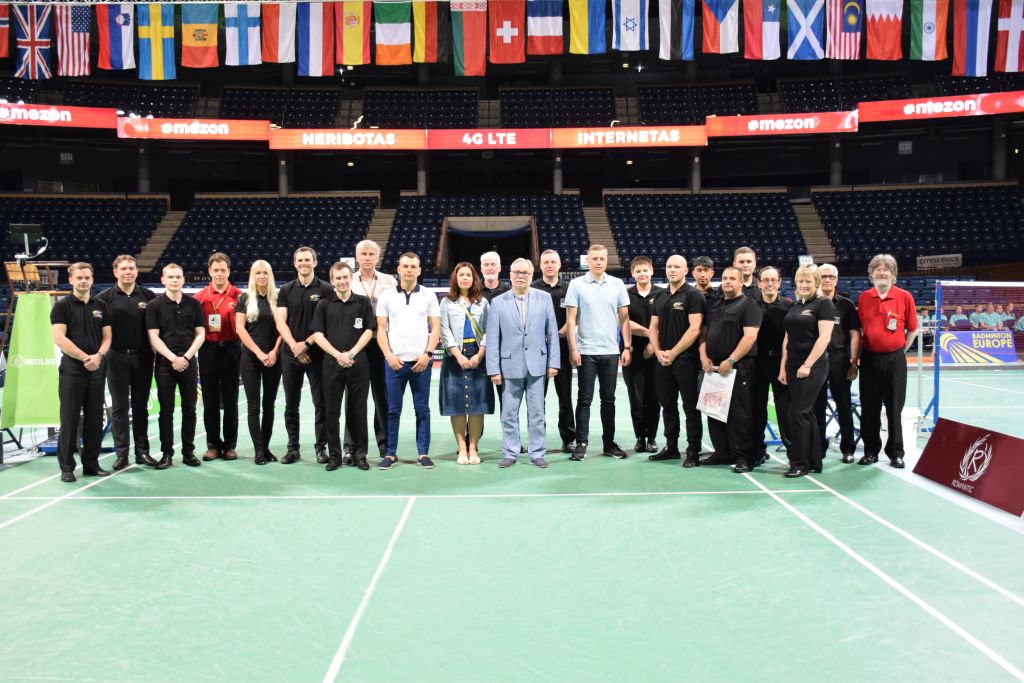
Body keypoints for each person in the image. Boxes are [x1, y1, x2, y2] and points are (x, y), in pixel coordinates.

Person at [487, 258, 559, 468]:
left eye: (525, 273)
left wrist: (553, 362)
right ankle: (511, 451)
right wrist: (494, 369)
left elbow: (552, 332)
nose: (520, 276)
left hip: (538, 365)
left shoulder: (544, 298)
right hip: (509, 367)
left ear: (531, 275)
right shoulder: (498, 302)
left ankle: (537, 452)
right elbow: (493, 338)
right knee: (508, 413)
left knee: (537, 412)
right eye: (517, 272)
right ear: (510, 275)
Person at [565, 244, 631, 461]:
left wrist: (627, 347)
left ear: (606, 260)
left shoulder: (617, 284)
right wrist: (574, 348)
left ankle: (609, 443)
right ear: (588, 261)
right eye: (594, 259)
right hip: (586, 352)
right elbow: (571, 319)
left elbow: (624, 319)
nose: (598, 262)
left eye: (602, 258)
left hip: (611, 352)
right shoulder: (576, 284)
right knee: (584, 399)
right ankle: (581, 443)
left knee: (609, 400)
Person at [375, 252, 441, 470]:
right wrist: (389, 356)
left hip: (421, 363)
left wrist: (427, 354)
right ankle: (391, 453)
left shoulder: (429, 295)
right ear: (399, 269)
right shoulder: (386, 296)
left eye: (414, 266)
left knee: (422, 409)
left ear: (419, 270)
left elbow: (436, 329)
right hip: (394, 363)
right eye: (406, 266)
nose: (410, 270)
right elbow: (381, 330)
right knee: (393, 410)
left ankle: (423, 453)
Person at [311, 262, 376, 471]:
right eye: (338, 278)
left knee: (358, 410)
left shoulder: (363, 302)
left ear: (351, 278)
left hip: (358, 364)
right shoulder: (323, 304)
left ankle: (360, 455)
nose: (342, 281)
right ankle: (335, 456)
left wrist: (352, 353)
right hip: (331, 364)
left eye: (345, 277)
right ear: (332, 281)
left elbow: (369, 331)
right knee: (332, 412)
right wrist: (338, 354)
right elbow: (318, 335)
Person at [51, 263, 112, 483]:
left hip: (97, 368)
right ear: (71, 280)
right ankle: (67, 467)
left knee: (95, 419)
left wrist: (98, 357)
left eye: (87, 277)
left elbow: (107, 337)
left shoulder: (101, 306)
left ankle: (91, 465)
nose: (83, 281)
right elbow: (59, 338)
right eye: (79, 278)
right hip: (72, 370)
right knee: (70, 419)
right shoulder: (62, 306)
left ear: (92, 280)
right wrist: (84, 357)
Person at [96, 254, 157, 471]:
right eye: (123, 269)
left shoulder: (148, 296)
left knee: (141, 407)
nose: (128, 272)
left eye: (131, 268)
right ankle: (122, 454)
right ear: (115, 272)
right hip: (115, 358)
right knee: (120, 408)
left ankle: (142, 452)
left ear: (137, 271)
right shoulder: (104, 298)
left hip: (142, 357)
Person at [856, 254, 917, 469]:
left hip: (895, 360)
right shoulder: (864, 297)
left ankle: (895, 452)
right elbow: (861, 329)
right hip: (869, 358)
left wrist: (898, 350)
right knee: (869, 407)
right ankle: (871, 451)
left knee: (894, 409)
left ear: (893, 274)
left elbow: (913, 330)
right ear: (871, 274)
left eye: (886, 269)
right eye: (878, 269)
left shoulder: (905, 297)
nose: (882, 272)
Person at [699, 266, 762, 473]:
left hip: (738, 367)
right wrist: (705, 357)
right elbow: (705, 334)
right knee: (714, 412)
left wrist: (731, 360)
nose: (727, 281)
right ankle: (722, 452)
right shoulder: (715, 305)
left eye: (732, 278)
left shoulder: (749, 306)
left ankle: (744, 456)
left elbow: (750, 337)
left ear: (741, 282)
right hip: (713, 367)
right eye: (724, 278)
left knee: (740, 414)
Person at [275, 247, 334, 465]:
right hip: (291, 356)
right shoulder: (286, 290)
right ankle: (293, 449)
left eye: (307, 260)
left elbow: (328, 322)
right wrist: (294, 347)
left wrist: (307, 345)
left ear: (315, 263)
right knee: (291, 404)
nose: (304, 263)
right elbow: (281, 322)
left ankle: (321, 448)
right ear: (294, 263)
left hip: (318, 354)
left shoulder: (326, 289)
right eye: (300, 260)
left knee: (321, 403)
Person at [146, 263, 206, 470]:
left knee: (190, 409)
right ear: (163, 280)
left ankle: (188, 452)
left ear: (183, 279)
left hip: (188, 363)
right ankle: (167, 453)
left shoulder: (194, 304)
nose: (174, 280)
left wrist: (186, 358)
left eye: (178, 277)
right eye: (170, 277)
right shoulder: (154, 306)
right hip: (164, 364)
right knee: (166, 411)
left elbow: (201, 334)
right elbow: (154, 337)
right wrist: (173, 358)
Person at [649, 255, 705, 465]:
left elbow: (695, 329)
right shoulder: (660, 296)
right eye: (669, 266)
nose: (672, 270)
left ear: (685, 271)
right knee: (668, 405)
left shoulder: (693, 295)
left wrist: (673, 352)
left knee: (691, 408)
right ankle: (671, 447)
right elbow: (653, 328)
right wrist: (658, 351)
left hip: (686, 361)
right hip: (662, 361)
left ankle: (693, 451)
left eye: (676, 267)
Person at [779, 264, 835, 478]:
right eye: (800, 281)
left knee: (799, 413)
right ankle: (814, 460)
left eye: (808, 281)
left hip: (813, 366)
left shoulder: (824, 304)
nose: (803, 285)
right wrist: (784, 365)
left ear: (816, 283)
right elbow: (787, 336)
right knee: (805, 413)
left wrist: (808, 365)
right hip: (793, 365)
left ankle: (799, 463)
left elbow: (824, 338)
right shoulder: (794, 306)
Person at [438, 262, 494, 464]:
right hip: (455, 357)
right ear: (455, 278)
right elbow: (444, 331)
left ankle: (473, 448)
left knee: (477, 405)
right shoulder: (447, 303)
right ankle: (462, 448)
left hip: (478, 355)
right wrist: (458, 355)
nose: (464, 278)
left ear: (474, 278)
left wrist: (480, 354)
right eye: (461, 274)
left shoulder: (483, 303)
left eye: (468, 275)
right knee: (458, 406)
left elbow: (489, 330)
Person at [348, 239, 397, 463]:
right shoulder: (348, 280)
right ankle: (351, 446)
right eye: (363, 254)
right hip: (356, 345)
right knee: (354, 397)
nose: (367, 257)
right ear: (357, 257)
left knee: (382, 398)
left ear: (377, 257)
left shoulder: (389, 281)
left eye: (371, 254)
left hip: (381, 344)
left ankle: (385, 444)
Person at [195, 252, 242, 462]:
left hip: (231, 349)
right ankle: (213, 445)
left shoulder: (240, 296)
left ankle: (230, 446)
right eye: (216, 270)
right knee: (210, 401)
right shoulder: (200, 298)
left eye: (223, 270)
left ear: (229, 271)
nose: (220, 274)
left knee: (231, 400)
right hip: (208, 350)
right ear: (210, 272)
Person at [235, 260, 282, 466]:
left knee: (269, 405)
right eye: (258, 273)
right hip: (250, 359)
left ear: (270, 275)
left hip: (273, 358)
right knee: (254, 406)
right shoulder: (244, 299)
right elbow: (240, 329)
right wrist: (259, 353)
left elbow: (283, 329)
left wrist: (273, 352)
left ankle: (266, 446)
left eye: (265, 273)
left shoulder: (278, 299)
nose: (261, 276)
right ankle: (258, 451)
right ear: (253, 276)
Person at [746, 265, 792, 468]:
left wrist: (785, 365)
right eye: (765, 280)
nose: (769, 283)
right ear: (759, 282)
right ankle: (757, 451)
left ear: (779, 283)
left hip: (781, 364)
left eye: (773, 280)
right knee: (756, 410)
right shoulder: (751, 306)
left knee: (785, 410)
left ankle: (793, 454)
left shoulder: (789, 307)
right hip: (757, 363)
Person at [815, 264, 861, 464]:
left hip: (839, 359)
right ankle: (818, 448)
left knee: (843, 404)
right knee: (816, 406)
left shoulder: (846, 304)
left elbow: (854, 334)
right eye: (823, 276)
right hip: (816, 360)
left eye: (831, 276)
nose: (827, 279)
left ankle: (848, 448)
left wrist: (853, 362)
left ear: (836, 279)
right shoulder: (811, 302)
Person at [532, 249, 575, 451]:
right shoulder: (532, 289)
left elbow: (575, 317)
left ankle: (568, 438)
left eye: (553, 262)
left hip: (563, 349)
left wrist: (560, 334)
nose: (549, 265)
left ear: (559, 265)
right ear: (540, 266)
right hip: (537, 351)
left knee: (565, 397)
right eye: (546, 262)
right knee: (537, 397)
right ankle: (538, 439)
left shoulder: (569, 289)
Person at [623, 256, 663, 453]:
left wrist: (653, 344)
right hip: (632, 354)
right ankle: (640, 437)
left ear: (652, 271)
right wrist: (649, 335)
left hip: (657, 355)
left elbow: (666, 323)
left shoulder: (662, 294)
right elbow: (624, 322)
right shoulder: (625, 295)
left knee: (654, 398)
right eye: (638, 271)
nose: (642, 274)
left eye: (645, 270)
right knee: (636, 399)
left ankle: (652, 438)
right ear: (632, 274)